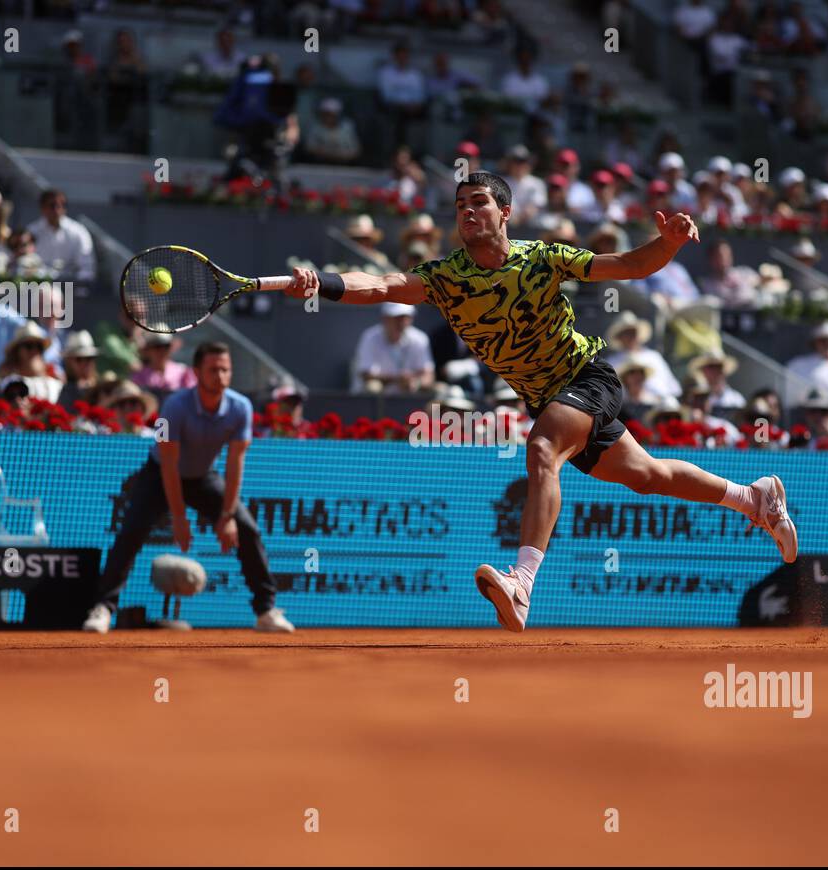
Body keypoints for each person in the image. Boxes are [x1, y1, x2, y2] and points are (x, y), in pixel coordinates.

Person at [283, 170, 797, 632]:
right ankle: (752, 497)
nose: (467, 210)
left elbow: (629, 265)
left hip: (587, 377)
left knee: (543, 449)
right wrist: (320, 282)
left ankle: (522, 582)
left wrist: (666, 245)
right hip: (547, 397)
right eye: (460, 204)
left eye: (479, 202)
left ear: (504, 212)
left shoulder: (542, 257)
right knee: (647, 477)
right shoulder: (445, 278)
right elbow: (380, 285)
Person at [82, 342, 294, 635]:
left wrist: (228, 515)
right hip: (160, 474)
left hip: (204, 476)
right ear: (196, 372)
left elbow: (235, 463)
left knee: (247, 529)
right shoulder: (173, 408)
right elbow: (169, 464)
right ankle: (103, 608)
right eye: (213, 369)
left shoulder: (240, 408)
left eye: (225, 369)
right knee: (131, 531)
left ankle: (266, 611)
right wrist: (179, 519)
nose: (220, 375)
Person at [352, 301, 435, 394]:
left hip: (408, 396)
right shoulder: (370, 337)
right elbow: (366, 374)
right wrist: (398, 379)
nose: (401, 322)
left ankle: (438, 409)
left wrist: (416, 383)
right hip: (379, 398)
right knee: (373, 387)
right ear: (385, 318)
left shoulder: (420, 339)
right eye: (397, 317)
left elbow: (428, 375)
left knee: (440, 391)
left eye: (406, 317)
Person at [27, 188, 96, 283]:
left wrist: (78, 289)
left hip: (70, 287)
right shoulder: (31, 231)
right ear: (42, 208)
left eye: (62, 205)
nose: (58, 210)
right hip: (38, 286)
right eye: (52, 205)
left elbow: (87, 268)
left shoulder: (78, 232)